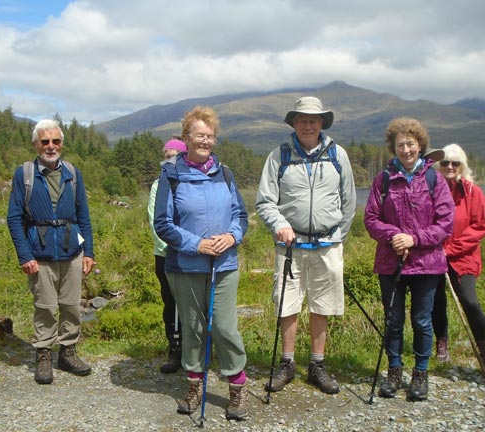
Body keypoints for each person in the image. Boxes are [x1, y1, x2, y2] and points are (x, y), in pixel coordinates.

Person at [153, 106, 249, 421]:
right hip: (185, 266)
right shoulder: (171, 174)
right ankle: (194, 385)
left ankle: (237, 386)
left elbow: (241, 216)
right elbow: (163, 224)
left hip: (223, 265)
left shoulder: (226, 173)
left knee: (223, 327)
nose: (205, 141)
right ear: (187, 138)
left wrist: (231, 237)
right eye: (199, 135)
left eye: (210, 136)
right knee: (193, 328)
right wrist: (198, 244)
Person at [256, 96, 356, 395]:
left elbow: (349, 202)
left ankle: (317, 365)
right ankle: (287, 364)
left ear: (322, 123)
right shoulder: (279, 156)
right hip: (289, 245)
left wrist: (338, 235)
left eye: (314, 119)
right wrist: (280, 225)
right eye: (303, 119)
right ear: (294, 123)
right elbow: (265, 201)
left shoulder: (338, 155)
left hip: (328, 245)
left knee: (322, 304)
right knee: (287, 303)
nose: (308, 124)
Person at [364, 117, 454, 401]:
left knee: (422, 321)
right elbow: (370, 219)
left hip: (427, 264)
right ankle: (394, 371)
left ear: (420, 145)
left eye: (411, 144)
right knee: (393, 320)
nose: (406, 149)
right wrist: (394, 236)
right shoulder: (384, 179)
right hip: (391, 263)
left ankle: (420, 374)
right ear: (393, 147)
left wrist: (414, 239)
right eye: (400, 144)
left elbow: (446, 223)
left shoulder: (434, 179)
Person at [7, 119, 95, 385]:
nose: (50, 146)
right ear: (35, 144)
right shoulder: (25, 174)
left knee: (71, 305)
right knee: (44, 306)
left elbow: (83, 216)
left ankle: (67, 352)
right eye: (45, 141)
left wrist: (88, 252)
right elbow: (13, 218)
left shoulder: (72, 173)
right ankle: (43, 353)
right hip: (39, 252)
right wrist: (25, 255)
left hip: (72, 249)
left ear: (62, 144)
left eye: (55, 141)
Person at [431, 143, 485, 365]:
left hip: (464, 257)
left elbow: (479, 227)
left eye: (455, 163)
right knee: (436, 301)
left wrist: (450, 250)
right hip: (434, 255)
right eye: (445, 163)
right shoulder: (431, 189)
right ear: (439, 165)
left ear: (462, 166)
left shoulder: (473, 192)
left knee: (471, 302)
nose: (450, 166)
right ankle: (441, 344)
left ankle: (483, 345)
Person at [148, 138, 187, 373]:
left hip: (192, 253)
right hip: (165, 254)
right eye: (166, 155)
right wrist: (172, 244)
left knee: (193, 305)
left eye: (174, 155)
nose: (169, 159)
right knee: (171, 304)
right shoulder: (157, 184)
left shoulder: (190, 181)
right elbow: (156, 220)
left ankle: (195, 348)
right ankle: (175, 349)